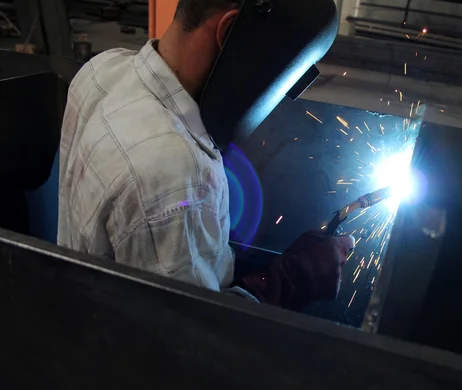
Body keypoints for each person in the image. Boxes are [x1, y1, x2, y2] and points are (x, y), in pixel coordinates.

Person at [58, 0, 354, 309]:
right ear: (228, 34)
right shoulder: (175, 175)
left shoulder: (103, 68)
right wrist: (291, 280)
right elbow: (192, 338)